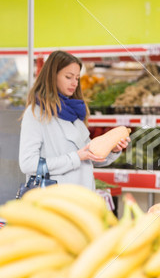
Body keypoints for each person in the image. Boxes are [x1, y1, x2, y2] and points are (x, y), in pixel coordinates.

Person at [19, 51, 128, 191]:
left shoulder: (74, 113)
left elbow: (88, 157)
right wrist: (75, 158)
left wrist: (112, 150)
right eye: (68, 77)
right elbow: (28, 164)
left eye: (77, 78)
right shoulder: (36, 113)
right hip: (54, 201)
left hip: (83, 198)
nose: (74, 83)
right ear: (52, 77)